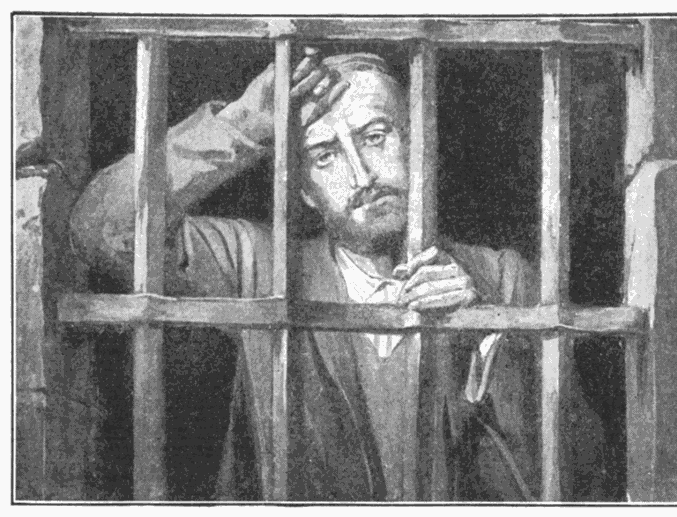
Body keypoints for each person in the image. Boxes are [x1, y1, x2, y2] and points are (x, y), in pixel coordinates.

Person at [70, 49, 606, 501]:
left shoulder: (504, 279)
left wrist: (483, 334)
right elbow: (103, 227)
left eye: (375, 136)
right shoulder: (263, 267)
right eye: (325, 156)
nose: (361, 175)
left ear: (417, 143)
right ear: (303, 189)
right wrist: (241, 124)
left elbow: (584, 477)